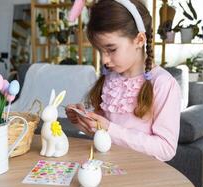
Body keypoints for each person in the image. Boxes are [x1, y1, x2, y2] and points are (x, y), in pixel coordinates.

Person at [65, 0, 181, 161]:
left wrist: (110, 129)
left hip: (140, 175)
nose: (104, 59)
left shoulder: (163, 84)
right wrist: (83, 121)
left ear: (139, 40)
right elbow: (102, 133)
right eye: (100, 50)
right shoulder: (111, 78)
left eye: (111, 49)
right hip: (107, 166)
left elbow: (166, 149)